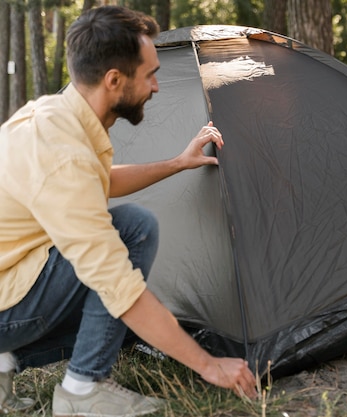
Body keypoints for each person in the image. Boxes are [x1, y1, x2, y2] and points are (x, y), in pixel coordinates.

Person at [0, 5, 256, 416]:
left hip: (11, 283)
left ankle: (5, 361)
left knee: (128, 303)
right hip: (5, 305)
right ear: (114, 80)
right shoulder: (62, 152)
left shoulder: (61, 117)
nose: (156, 87)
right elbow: (118, 286)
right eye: (150, 74)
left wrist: (177, 163)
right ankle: (81, 392)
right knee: (131, 237)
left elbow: (100, 179)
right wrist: (209, 365)